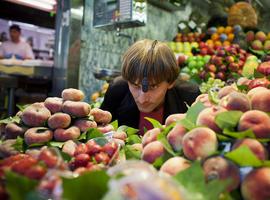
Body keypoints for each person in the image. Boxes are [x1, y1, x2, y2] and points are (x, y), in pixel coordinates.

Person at [100, 39, 200, 135]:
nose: (142, 99)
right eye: (135, 85)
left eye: (153, 86)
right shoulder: (117, 89)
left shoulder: (190, 97)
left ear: (171, 82)